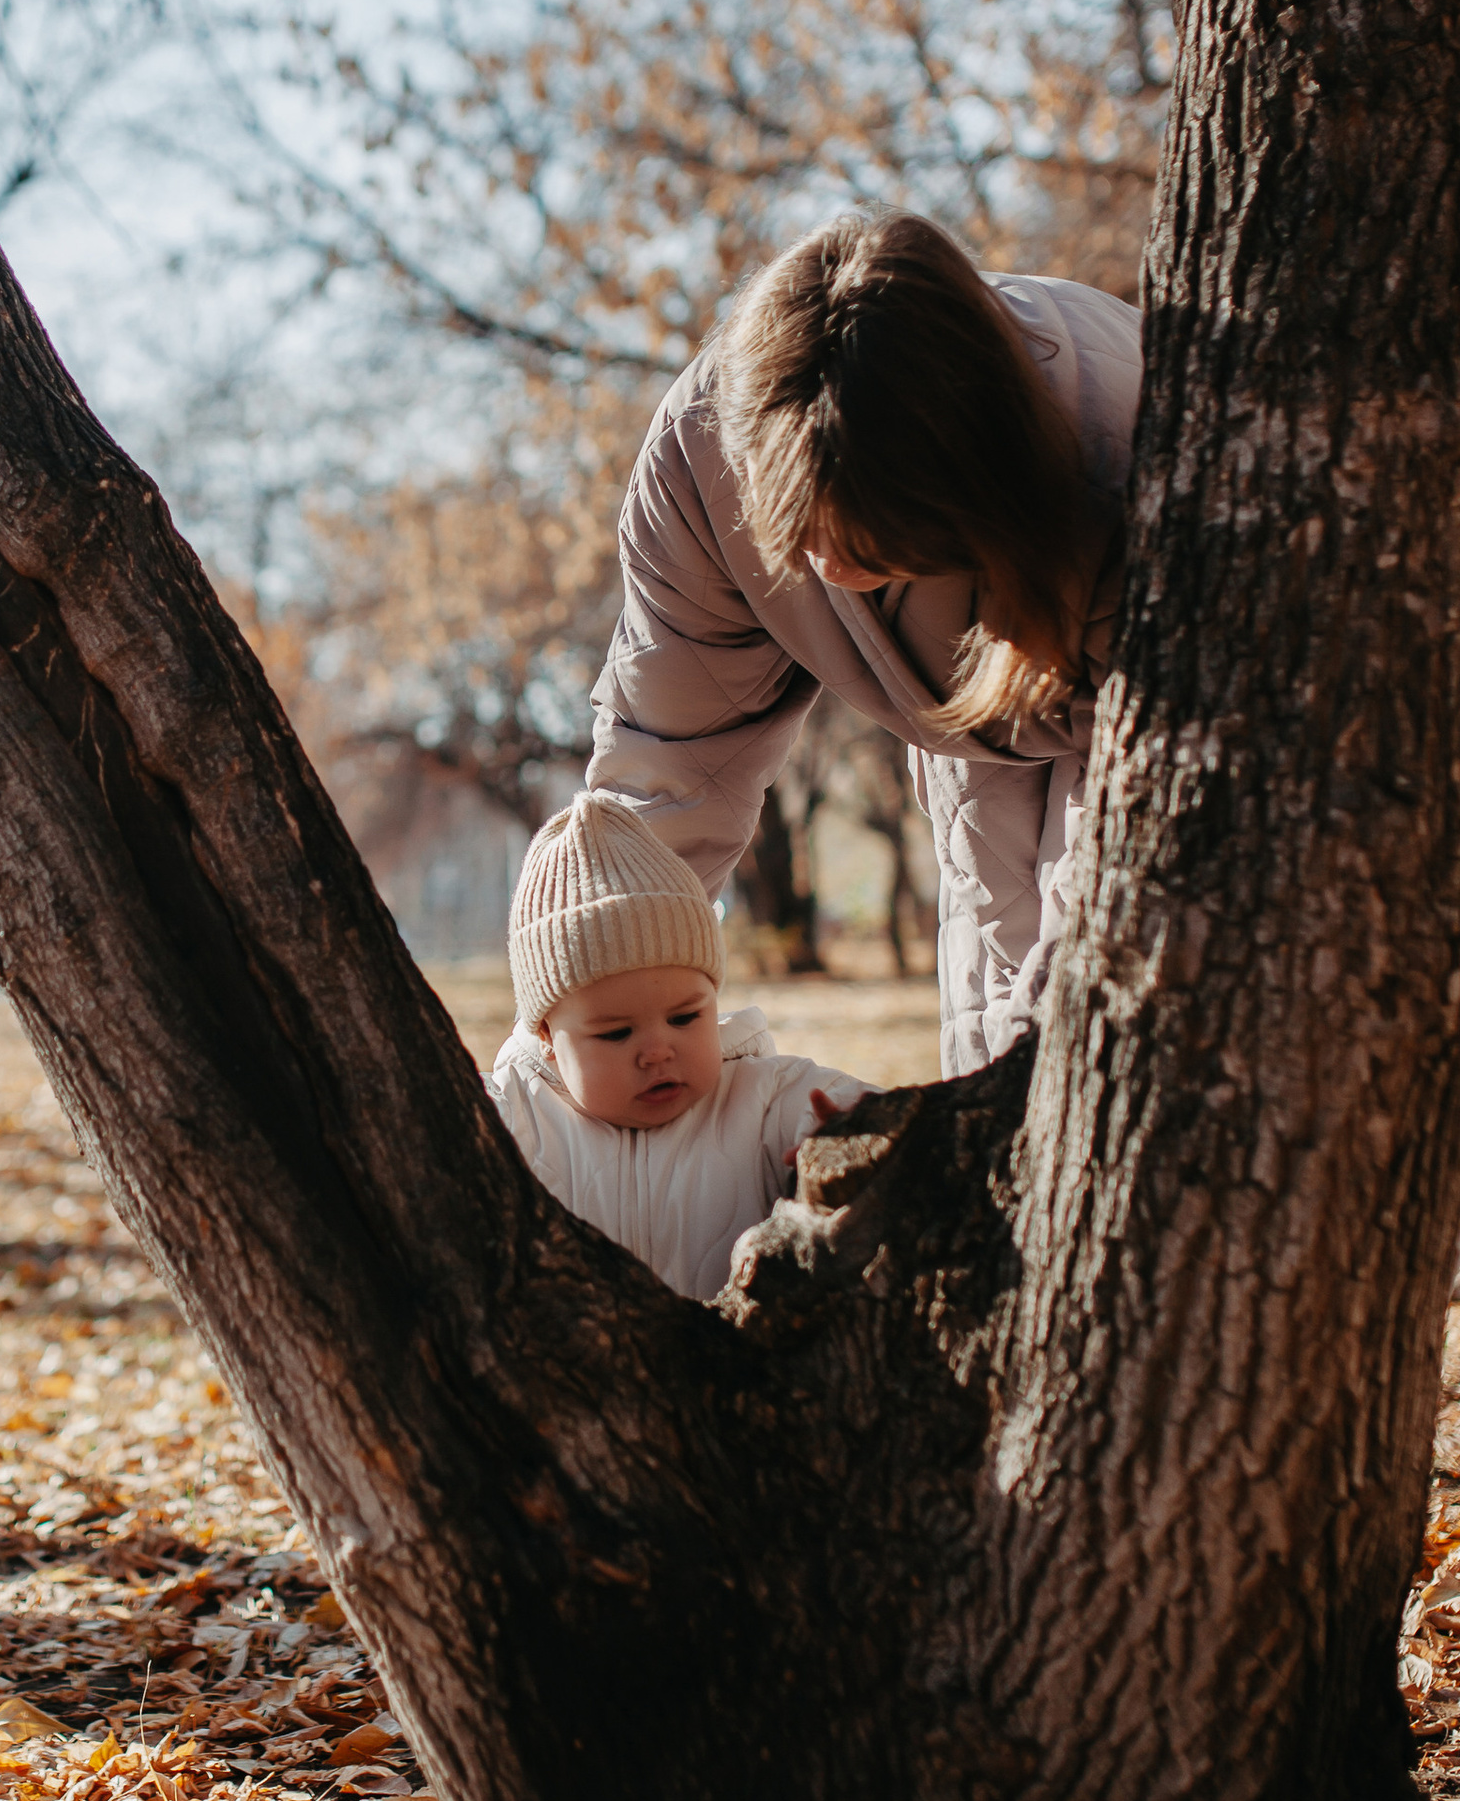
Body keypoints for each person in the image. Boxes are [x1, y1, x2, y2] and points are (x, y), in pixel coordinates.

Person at [588, 215, 1143, 1074]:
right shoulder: (700, 465)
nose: (831, 570)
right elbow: (671, 765)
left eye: (876, 542)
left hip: (1123, 760)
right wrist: (586, 1001)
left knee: (1080, 1045)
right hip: (970, 758)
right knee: (994, 1040)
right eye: (803, 534)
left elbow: (1133, 829)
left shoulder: (1128, 442)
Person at [488, 795, 858, 1297]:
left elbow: (878, 1120)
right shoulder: (512, 1120)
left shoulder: (767, 1099)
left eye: (685, 1017)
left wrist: (851, 1135)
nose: (658, 1051)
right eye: (616, 1032)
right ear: (547, 1037)